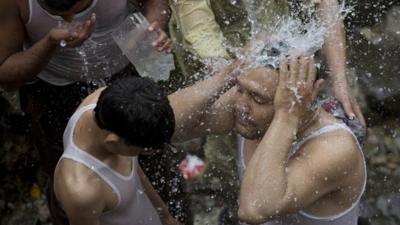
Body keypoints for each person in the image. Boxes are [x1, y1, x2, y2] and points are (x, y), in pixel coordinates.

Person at [0, 0, 176, 223]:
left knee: (151, 153)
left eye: (75, 10)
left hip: (125, 77)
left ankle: (170, 213)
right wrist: (50, 43)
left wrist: (153, 26)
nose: (69, 21)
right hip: (56, 90)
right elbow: (4, 71)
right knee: (68, 178)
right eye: (55, 13)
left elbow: (157, 3)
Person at [167, 55, 366, 224]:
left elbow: (253, 209)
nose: (241, 106)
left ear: (303, 99)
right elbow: (164, 124)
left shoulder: (336, 149)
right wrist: (228, 74)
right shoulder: (248, 106)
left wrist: (287, 115)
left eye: (258, 99)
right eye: (240, 89)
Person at [169, 0, 366, 126]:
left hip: (273, 33)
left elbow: (324, 3)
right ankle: (226, 176)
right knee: (236, 122)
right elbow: (201, 37)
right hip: (221, 51)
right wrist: (240, 84)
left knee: (293, 114)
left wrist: (340, 79)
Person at [54, 77, 180, 225]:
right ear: (112, 141)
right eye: (144, 149)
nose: (150, 152)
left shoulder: (108, 102)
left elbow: (135, 173)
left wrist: (165, 216)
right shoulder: (82, 190)